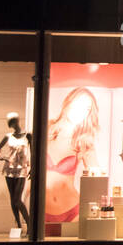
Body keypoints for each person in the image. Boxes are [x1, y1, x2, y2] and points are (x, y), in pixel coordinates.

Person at [45, 87, 101, 223]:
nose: (82, 111)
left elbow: (97, 177)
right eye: (79, 104)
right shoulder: (46, 128)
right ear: (69, 102)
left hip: (72, 210)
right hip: (41, 208)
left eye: (87, 109)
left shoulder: (84, 140)